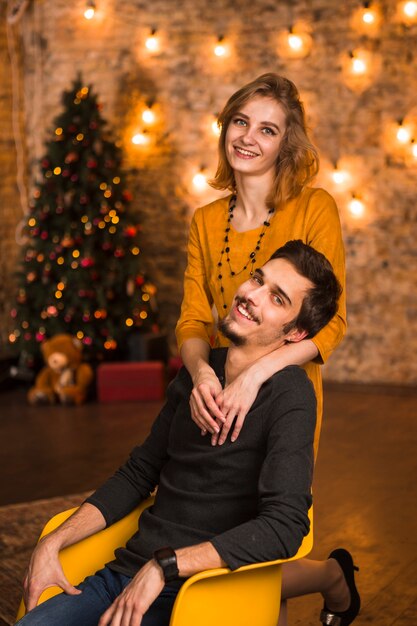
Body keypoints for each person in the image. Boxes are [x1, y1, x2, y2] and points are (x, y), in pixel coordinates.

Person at [18, 242, 358, 626]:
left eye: (276, 298)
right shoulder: (198, 373)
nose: (250, 295)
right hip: (124, 576)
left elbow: (286, 525)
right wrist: (52, 541)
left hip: (203, 592)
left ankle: (333, 576)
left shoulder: (289, 394)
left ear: (295, 333)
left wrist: (167, 565)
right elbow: (138, 473)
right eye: (257, 280)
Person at [176, 73, 346, 451]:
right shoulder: (204, 221)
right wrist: (203, 374)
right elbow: (193, 320)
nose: (247, 138)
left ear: (285, 146)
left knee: (277, 506)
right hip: (216, 395)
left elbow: (331, 324)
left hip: (284, 392)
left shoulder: (315, 208)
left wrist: (252, 379)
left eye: (267, 130)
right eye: (241, 121)